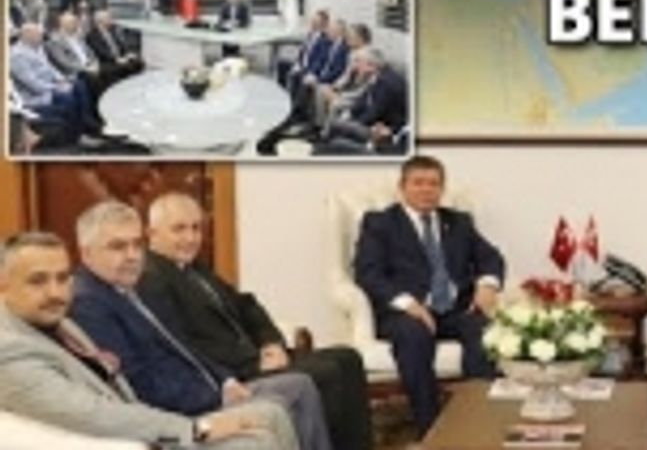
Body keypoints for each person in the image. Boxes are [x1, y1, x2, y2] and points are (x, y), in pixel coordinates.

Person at [68, 201, 333, 450]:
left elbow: (186, 347)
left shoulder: (132, 287)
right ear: (87, 253)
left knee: (298, 387)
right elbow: (138, 384)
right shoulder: (89, 304)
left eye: (137, 245)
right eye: (118, 247)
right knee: (272, 413)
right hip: (181, 415)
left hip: (210, 390)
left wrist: (225, 380)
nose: (132, 255)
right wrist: (215, 397)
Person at [0, 231, 298, 449]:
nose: (55, 292)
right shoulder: (9, 350)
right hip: (126, 440)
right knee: (255, 441)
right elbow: (92, 415)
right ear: (3, 285)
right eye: (38, 281)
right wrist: (197, 428)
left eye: (63, 278)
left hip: (145, 424)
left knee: (271, 414)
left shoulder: (59, 323)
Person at [138, 192, 372, 450]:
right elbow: (184, 345)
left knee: (347, 357)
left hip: (259, 360)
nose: (191, 238)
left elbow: (247, 305)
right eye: (179, 229)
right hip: (236, 374)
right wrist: (253, 363)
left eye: (196, 228)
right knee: (328, 374)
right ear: (152, 233)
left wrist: (271, 343)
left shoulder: (195, 268)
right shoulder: (151, 279)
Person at [353, 156, 506, 438]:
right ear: (403, 187)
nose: (426, 190)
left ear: (442, 189)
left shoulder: (458, 222)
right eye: (418, 183)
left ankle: (477, 423)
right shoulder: (380, 223)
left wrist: (487, 285)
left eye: (434, 184)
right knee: (414, 335)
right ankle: (432, 431)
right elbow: (368, 273)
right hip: (406, 313)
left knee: (484, 331)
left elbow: (491, 258)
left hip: (455, 310)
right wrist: (408, 303)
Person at [9, 22, 102, 139]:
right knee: (68, 98)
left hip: (51, 86)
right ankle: (75, 135)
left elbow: (50, 68)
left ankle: (86, 124)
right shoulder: (17, 56)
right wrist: (56, 87)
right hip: (36, 95)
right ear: (27, 35)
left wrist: (62, 80)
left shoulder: (37, 48)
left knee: (79, 85)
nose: (42, 38)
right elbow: (32, 84)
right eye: (38, 35)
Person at [314, 47, 407, 155]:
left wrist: (353, 121)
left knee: (338, 126)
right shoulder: (378, 75)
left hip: (385, 131)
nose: (356, 66)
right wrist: (351, 113)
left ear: (371, 66)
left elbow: (375, 112)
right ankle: (323, 149)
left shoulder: (385, 82)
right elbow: (362, 100)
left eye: (359, 63)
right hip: (376, 124)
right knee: (338, 125)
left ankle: (322, 151)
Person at [85, 9, 144, 82]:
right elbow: (102, 52)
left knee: (137, 62)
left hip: (120, 57)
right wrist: (116, 59)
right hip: (107, 62)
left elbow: (121, 45)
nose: (111, 20)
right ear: (100, 21)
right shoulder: (92, 35)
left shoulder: (112, 31)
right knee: (115, 70)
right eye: (108, 18)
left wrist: (128, 54)